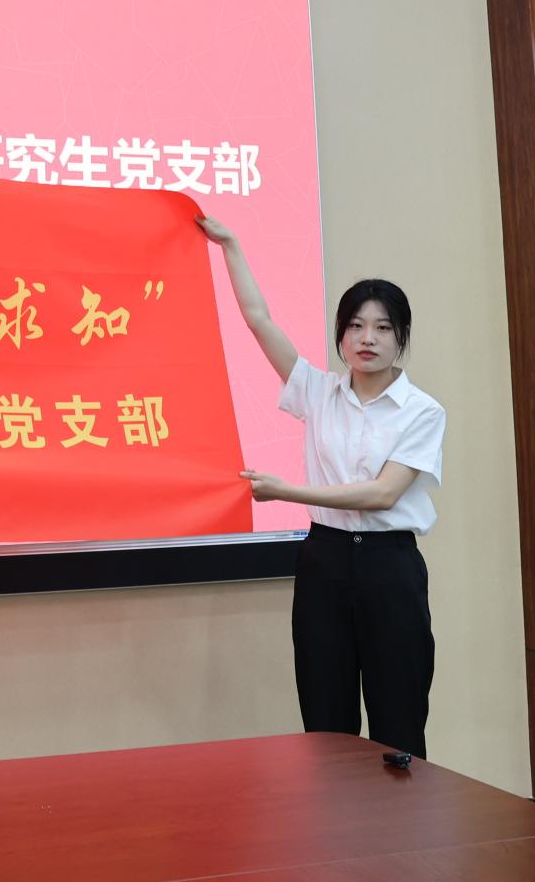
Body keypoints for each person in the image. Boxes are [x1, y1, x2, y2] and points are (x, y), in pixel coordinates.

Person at [198, 216, 445, 758]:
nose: (367, 339)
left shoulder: (422, 411)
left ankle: (403, 815)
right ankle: (335, 816)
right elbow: (258, 320)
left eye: (382, 328)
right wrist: (231, 245)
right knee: (325, 718)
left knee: (398, 716)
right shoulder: (318, 391)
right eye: (355, 326)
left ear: (401, 337)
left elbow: (382, 494)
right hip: (325, 563)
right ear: (340, 335)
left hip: (390, 567)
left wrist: (286, 492)